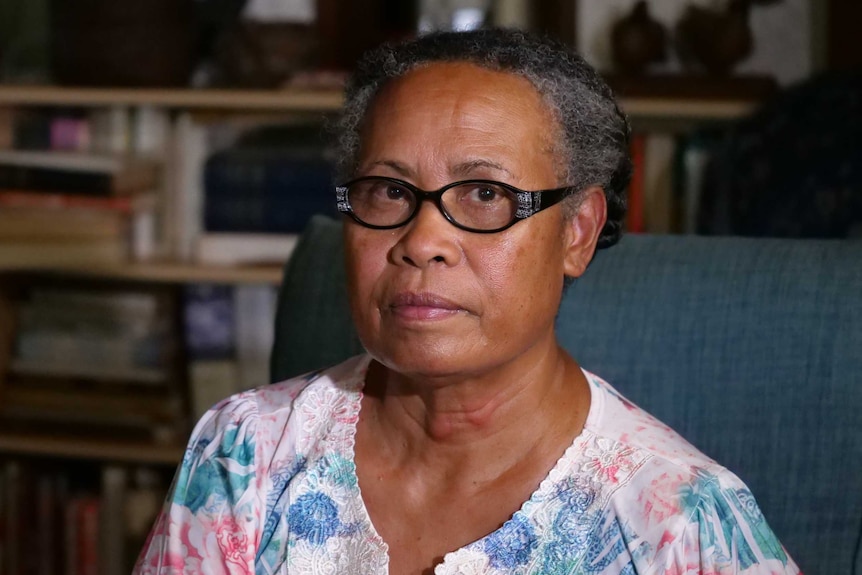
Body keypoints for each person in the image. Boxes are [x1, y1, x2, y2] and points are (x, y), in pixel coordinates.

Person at [135, 29, 800, 574]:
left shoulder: (683, 523)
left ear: (577, 231)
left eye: (485, 194)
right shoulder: (240, 460)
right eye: (389, 193)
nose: (423, 242)